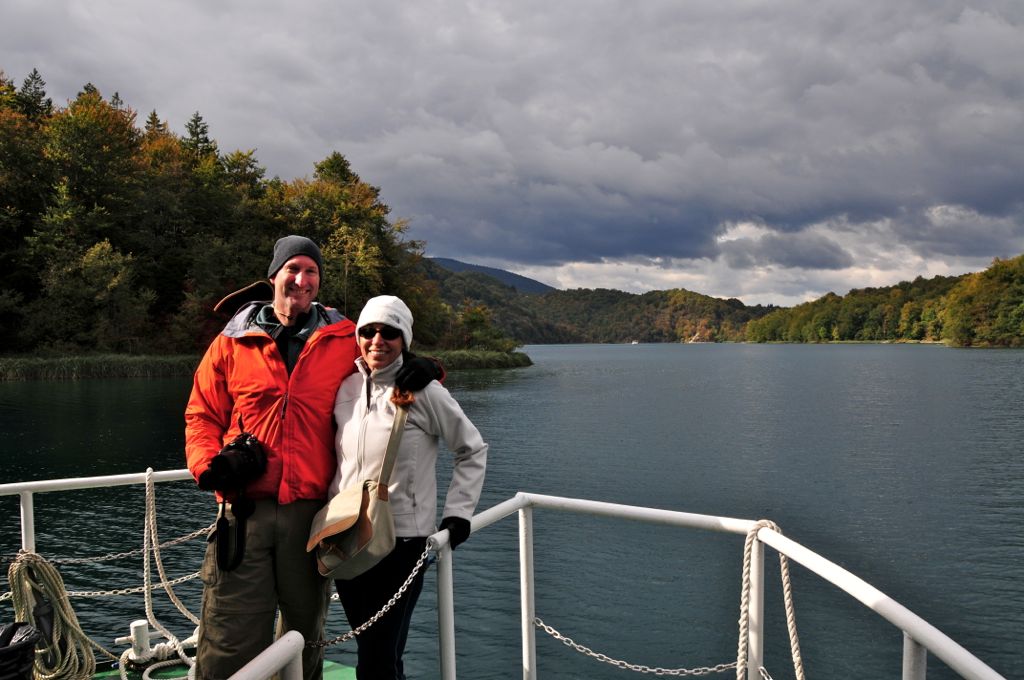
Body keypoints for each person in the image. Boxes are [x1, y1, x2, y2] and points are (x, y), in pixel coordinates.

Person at [184, 237, 440, 680]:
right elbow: (201, 413)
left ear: (318, 282)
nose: (302, 280)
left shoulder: (341, 339)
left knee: (304, 635)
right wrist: (209, 465)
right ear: (274, 276)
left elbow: (386, 364)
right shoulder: (231, 342)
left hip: (312, 515)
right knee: (230, 636)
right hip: (244, 513)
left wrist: (428, 369)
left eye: (311, 272)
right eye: (293, 269)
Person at [329, 295, 488, 680]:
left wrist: (458, 514)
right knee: (374, 650)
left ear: (405, 339)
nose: (376, 341)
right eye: (368, 331)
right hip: (347, 535)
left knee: (379, 656)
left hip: (402, 542)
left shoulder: (424, 391)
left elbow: (472, 449)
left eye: (390, 332)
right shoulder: (346, 387)